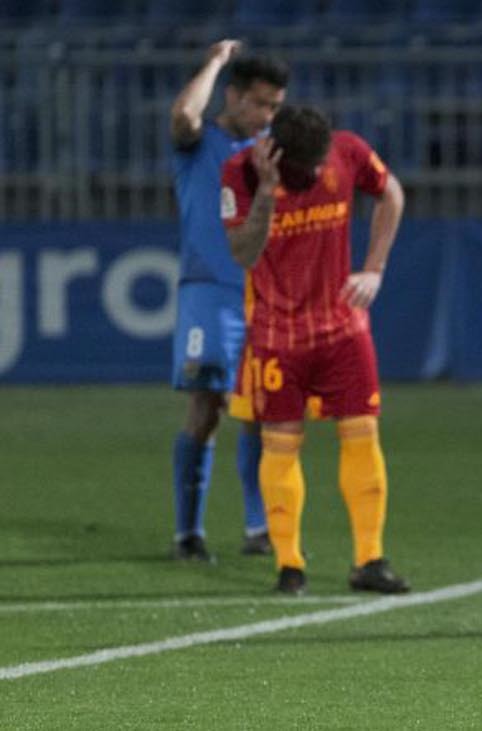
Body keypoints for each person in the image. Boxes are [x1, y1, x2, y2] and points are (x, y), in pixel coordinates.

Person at [222, 105, 410, 595]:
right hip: (277, 334)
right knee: (281, 443)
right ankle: (289, 565)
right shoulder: (241, 173)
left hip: (342, 328)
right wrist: (267, 192)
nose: (315, 172)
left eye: (319, 162)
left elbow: (391, 193)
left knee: (363, 434)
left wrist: (374, 268)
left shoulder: (347, 151)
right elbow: (243, 252)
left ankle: (370, 559)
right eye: (305, 167)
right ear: (279, 156)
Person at [168, 41, 288, 562]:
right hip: (209, 292)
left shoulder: (271, 150)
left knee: (260, 408)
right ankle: (188, 533)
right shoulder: (199, 142)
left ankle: (259, 528)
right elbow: (182, 114)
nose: (267, 115)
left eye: (275, 106)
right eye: (260, 103)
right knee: (207, 406)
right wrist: (215, 62)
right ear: (233, 96)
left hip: (262, 294)